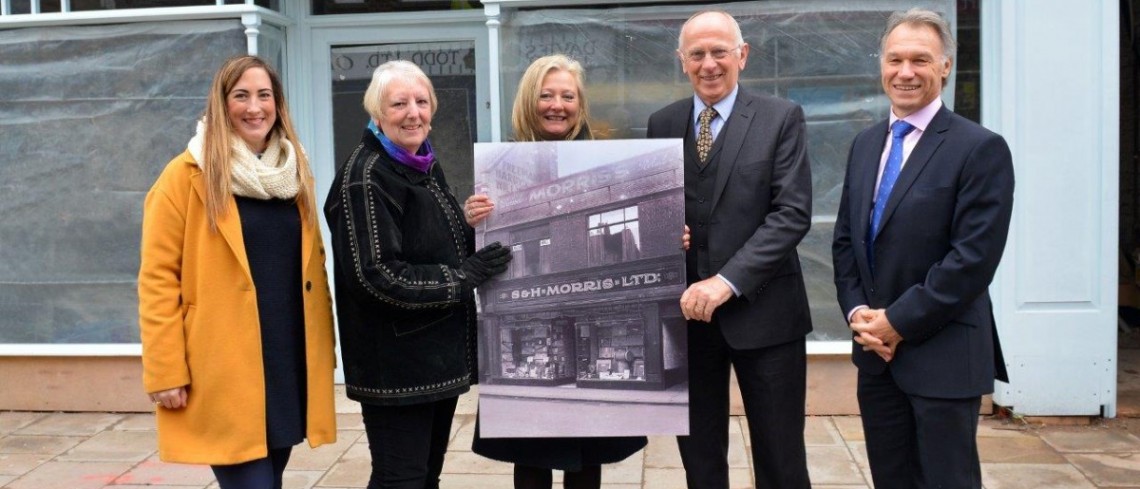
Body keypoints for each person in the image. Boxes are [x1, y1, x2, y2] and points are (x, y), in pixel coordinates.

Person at [831, 8, 1014, 488]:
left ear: (946, 66)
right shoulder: (866, 144)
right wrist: (857, 315)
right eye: (895, 59)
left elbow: (971, 260)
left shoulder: (980, 148)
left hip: (943, 354)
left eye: (920, 60)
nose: (905, 72)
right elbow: (847, 242)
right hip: (876, 356)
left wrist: (897, 322)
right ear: (882, 65)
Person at [138, 55, 337, 489]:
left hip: (285, 362)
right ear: (220, 103)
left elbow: (314, 267)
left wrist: (326, 351)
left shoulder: (293, 171)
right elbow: (157, 280)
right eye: (240, 96)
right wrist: (165, 369)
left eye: (264, 95)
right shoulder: (185, 175)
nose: (254, 107)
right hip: (223, 367)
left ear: (278, 104)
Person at [323, 59, 512, 489]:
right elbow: (377, 276)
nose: (413, 112)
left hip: (432, 360)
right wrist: (465, 276)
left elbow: (426, 241)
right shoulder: (367, 178)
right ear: (376, 113)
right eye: (399, 103)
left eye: (422, 101)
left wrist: (469, 225)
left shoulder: (419, 162)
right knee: (401, 479)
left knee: (423, 477)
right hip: (396, 366)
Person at [645, 10, 813, 489]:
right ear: (682, 61)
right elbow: (652, 203)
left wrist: (726, 281)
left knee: (780, 458)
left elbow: (791, 215)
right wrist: (660, 232)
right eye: (696, 54)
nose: (709, 64)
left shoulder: (781, 118)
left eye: (720, 51)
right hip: (687, 322)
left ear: (743, 55)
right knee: (699, 460)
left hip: (767, 316)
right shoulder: (663, 122)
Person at [465, 54, 648, 489]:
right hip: (519, 297)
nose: (557, 105)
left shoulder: (603, 155)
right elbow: (480, 250)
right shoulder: (499, 163)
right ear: (529, 101)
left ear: (580, 104)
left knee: (586, 462)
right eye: (546, 95)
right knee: (530, 459)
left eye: (568, 96)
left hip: (573, 291)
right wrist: (470, 219)